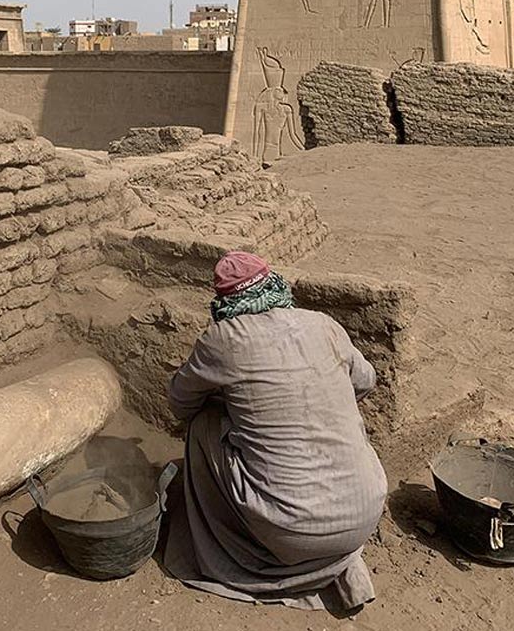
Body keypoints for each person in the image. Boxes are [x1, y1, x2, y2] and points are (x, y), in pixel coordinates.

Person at [161, 252, 388, 612]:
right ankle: (334, 557)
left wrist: (231, 405)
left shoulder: (222, 338)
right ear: (276, 285)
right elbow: (365, 382)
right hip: (367, 512)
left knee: (202, 423)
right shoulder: (324, 324)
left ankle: (226, 544)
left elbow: (180, 404)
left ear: (225, 301)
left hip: (290, 533)